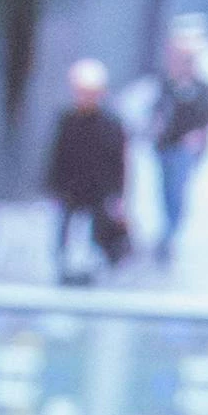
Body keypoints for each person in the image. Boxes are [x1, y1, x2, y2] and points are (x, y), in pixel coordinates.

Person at [39, 63, 133, 280]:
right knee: (64, 228)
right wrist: (53, 186)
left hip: (98, 189)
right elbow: (56, 155)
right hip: (70, 188)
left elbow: (119, 162)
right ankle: (64, 265)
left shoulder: (111, 124)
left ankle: (89, 267)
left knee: (96, 230)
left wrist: (118, 195)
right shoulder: (67, 120)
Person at [143, 24, 208, 258]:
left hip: (184, 150)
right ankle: (166, 228)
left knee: (177, 192)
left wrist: (199, 139)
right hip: (164, 145)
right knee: (164, 190)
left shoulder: (203, 88)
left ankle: (169, 235)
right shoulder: (165, 84)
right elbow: (156, 110)